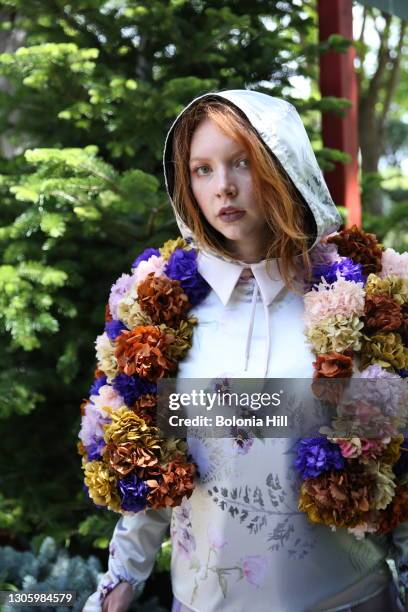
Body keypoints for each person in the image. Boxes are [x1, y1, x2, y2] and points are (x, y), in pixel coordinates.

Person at [83, 90, 408, 612]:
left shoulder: (360, 300)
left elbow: (400, 460)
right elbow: (154, 462)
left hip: (349, 600)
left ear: (281, 167)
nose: (224, 187)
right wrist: (122, 579)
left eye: (241, 163)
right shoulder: (161, 313)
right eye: (202, 169)